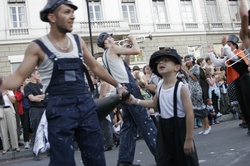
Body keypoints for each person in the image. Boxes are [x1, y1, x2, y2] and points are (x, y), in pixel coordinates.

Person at [0, 0, 126, 166]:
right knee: (63, 160)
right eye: (67, 12)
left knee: (96, 157)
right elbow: (18, 76)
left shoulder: (78, 41)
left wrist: (118, 86)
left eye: (73, 12)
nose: (72, 16)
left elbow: (95, 67)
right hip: (59, 109)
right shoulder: (38, 46)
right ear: (52, 17)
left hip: (86, 106)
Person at [128, 48, 199, 166]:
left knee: (185, 161)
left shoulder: (181, 88)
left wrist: (189, 139)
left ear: (176, 67)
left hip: (179, 128)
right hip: (163, 127)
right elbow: (154, 103)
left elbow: (190, 113)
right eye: (159, 61)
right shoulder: (160, 85)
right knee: (164, 159)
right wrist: (135, 101)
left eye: (166, 60)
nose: (161, 63)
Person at [97, 32, 157, 166]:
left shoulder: (107, 55)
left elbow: (125, 65)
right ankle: (161, 154)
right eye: (110, 37)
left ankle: (124, 161)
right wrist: (134, 40)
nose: (113, 39)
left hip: (123, 87)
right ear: (106, 41)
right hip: (128, 86)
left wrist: (127, 50)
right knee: (145, 121)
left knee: (129, 125)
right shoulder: (112, 48)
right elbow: (136, 50)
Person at [208, 34, 250, 135]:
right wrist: (210, 54)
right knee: (242, 104)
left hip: (245, 80)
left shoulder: (239, 53)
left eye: (229, 44)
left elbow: (234, 58)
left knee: (248, 103)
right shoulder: (228, 56)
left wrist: (225, 46)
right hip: (237, 81)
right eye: (227, 45)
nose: (227, 47)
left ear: (235, 46)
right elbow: (217, 63)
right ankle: (248, 125)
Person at [24, 69, 45, 160]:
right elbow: (32, 99)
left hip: (43, 109)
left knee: (46, 130)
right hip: (35, 110)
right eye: (37, 73)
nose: (39, 75)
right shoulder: (27, 87)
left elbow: (46, 95)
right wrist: (41, 97)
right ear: (32, 74)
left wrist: (39, 97)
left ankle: (48, 150)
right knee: (36, 130)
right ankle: (36, 152)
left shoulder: (41, 85)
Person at [0, 89, 20, 155]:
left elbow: (14, 100)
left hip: (9, 108)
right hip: (1, 110)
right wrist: (1, 95)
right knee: (3, 130)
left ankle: (15, 146)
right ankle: (5, 147)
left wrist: (7, 94)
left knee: (13, 128)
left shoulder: (9, 90)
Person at [14, 77, 32, 149]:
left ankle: (32, 140)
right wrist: (22, 92)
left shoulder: (31, 87)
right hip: (23, 110)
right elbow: (17, 99)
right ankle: (26, 142)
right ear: (23, 82)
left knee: (32, 125)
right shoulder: (18, 89)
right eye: (27, 80)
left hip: (31, 109)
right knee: (25, 126)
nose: (29, 81)